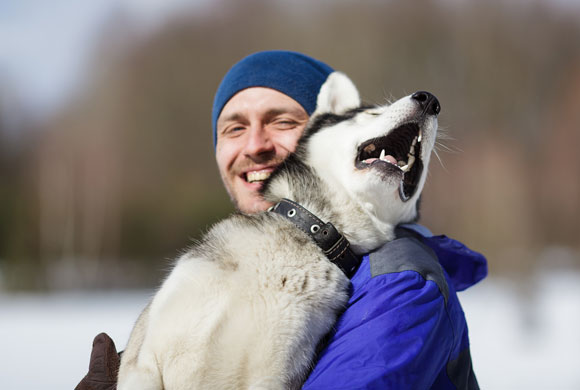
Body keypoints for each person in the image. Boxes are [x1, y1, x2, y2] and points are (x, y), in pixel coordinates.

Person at [76, 50, 487, 390]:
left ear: (319, 132)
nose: (254, 145)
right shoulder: (231, 256)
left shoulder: (402, 282)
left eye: (282, 121)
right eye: (233, 128)